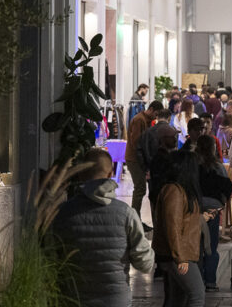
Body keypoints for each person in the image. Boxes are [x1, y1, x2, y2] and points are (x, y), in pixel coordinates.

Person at [52, 148, 154, 307]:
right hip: (116, 301)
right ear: (110, 173)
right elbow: (145, 264)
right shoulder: (126, 213)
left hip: (74, 299)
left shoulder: (62, 213)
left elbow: (51, 258)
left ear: (80, 174)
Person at [153, 150, 205, 307]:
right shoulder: (174, 191)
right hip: (178, 255)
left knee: (177, 299)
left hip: (180, 253)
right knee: (197, 295)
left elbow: (182, 220)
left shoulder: (181, 190)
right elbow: (172, 226)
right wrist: (180, 257)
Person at [196, 135, 232, 292]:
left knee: (197, 246)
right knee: (210, 246)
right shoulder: (217, 166)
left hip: (196, 208)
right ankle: (210, 281)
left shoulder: (193, 165)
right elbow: (226, 186)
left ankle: (197, 280)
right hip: (213, 208)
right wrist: (222, 201)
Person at [126, 100, 163, 228]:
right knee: (140, 189)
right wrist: (144, 161)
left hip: (138, 159)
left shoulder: (145, 120)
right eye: (156, 114)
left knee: (140, 189)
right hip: (134, 159)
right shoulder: (139, 120)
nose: (156, 117)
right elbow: (137, 142)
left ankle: (136, 220)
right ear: (151, 109)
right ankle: (134, 221)